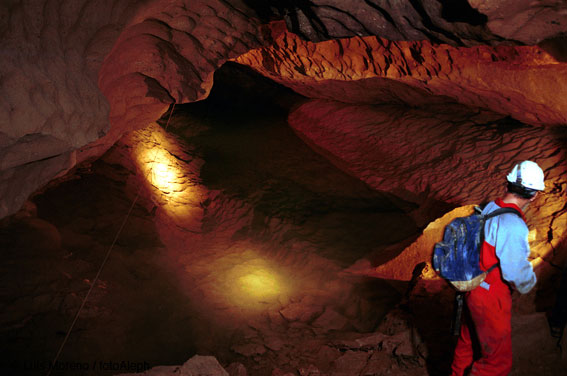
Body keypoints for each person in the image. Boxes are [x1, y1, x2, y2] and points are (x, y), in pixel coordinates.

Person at [450, 160, 545, 376]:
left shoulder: (491, 206)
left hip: (473, 286)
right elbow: (514, 273)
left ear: (509, 183)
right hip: (490, 297)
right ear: (534, 194)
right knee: (496, 363)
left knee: (467, 345)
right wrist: (529, 282)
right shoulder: (513, 224)